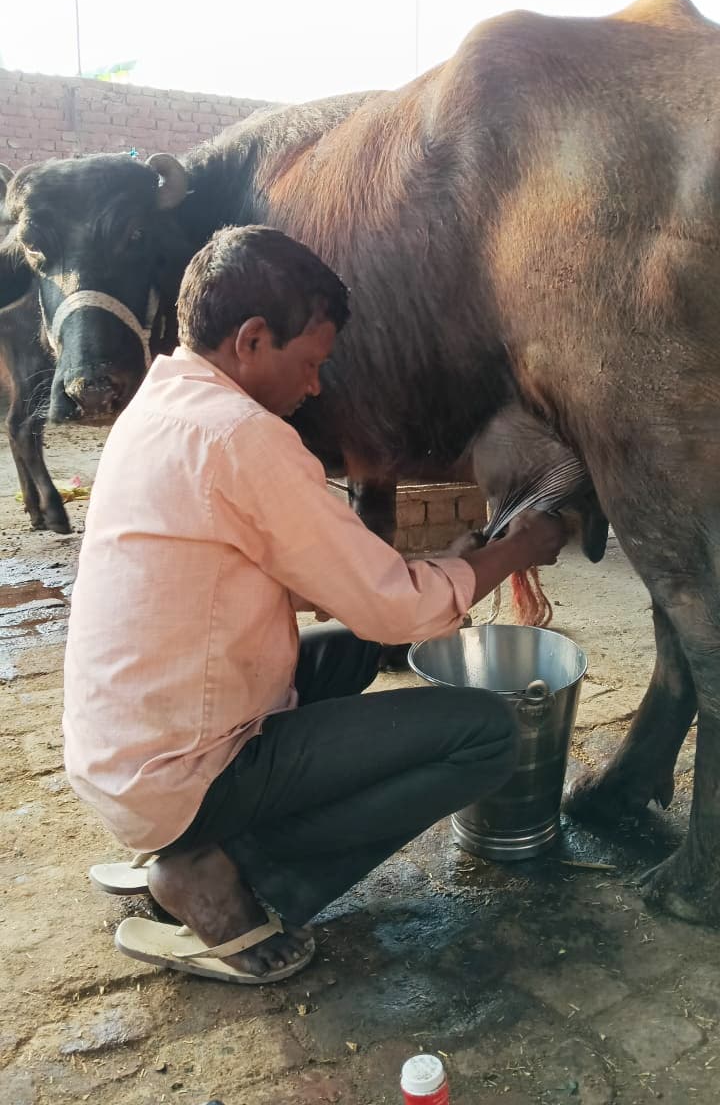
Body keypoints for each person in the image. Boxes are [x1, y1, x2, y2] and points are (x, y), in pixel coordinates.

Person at [63, 225, 567, 986]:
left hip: (126, 751)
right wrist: (518, 550)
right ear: (251, 340)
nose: (316, 387)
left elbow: (313, 579)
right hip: (181, 773)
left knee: (358, 646)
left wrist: (443, 566)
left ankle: (193, 844)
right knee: (486, 735)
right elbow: (399, 611)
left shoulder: (164, 402)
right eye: (310, 363)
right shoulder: (241, 437)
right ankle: (230, 876)